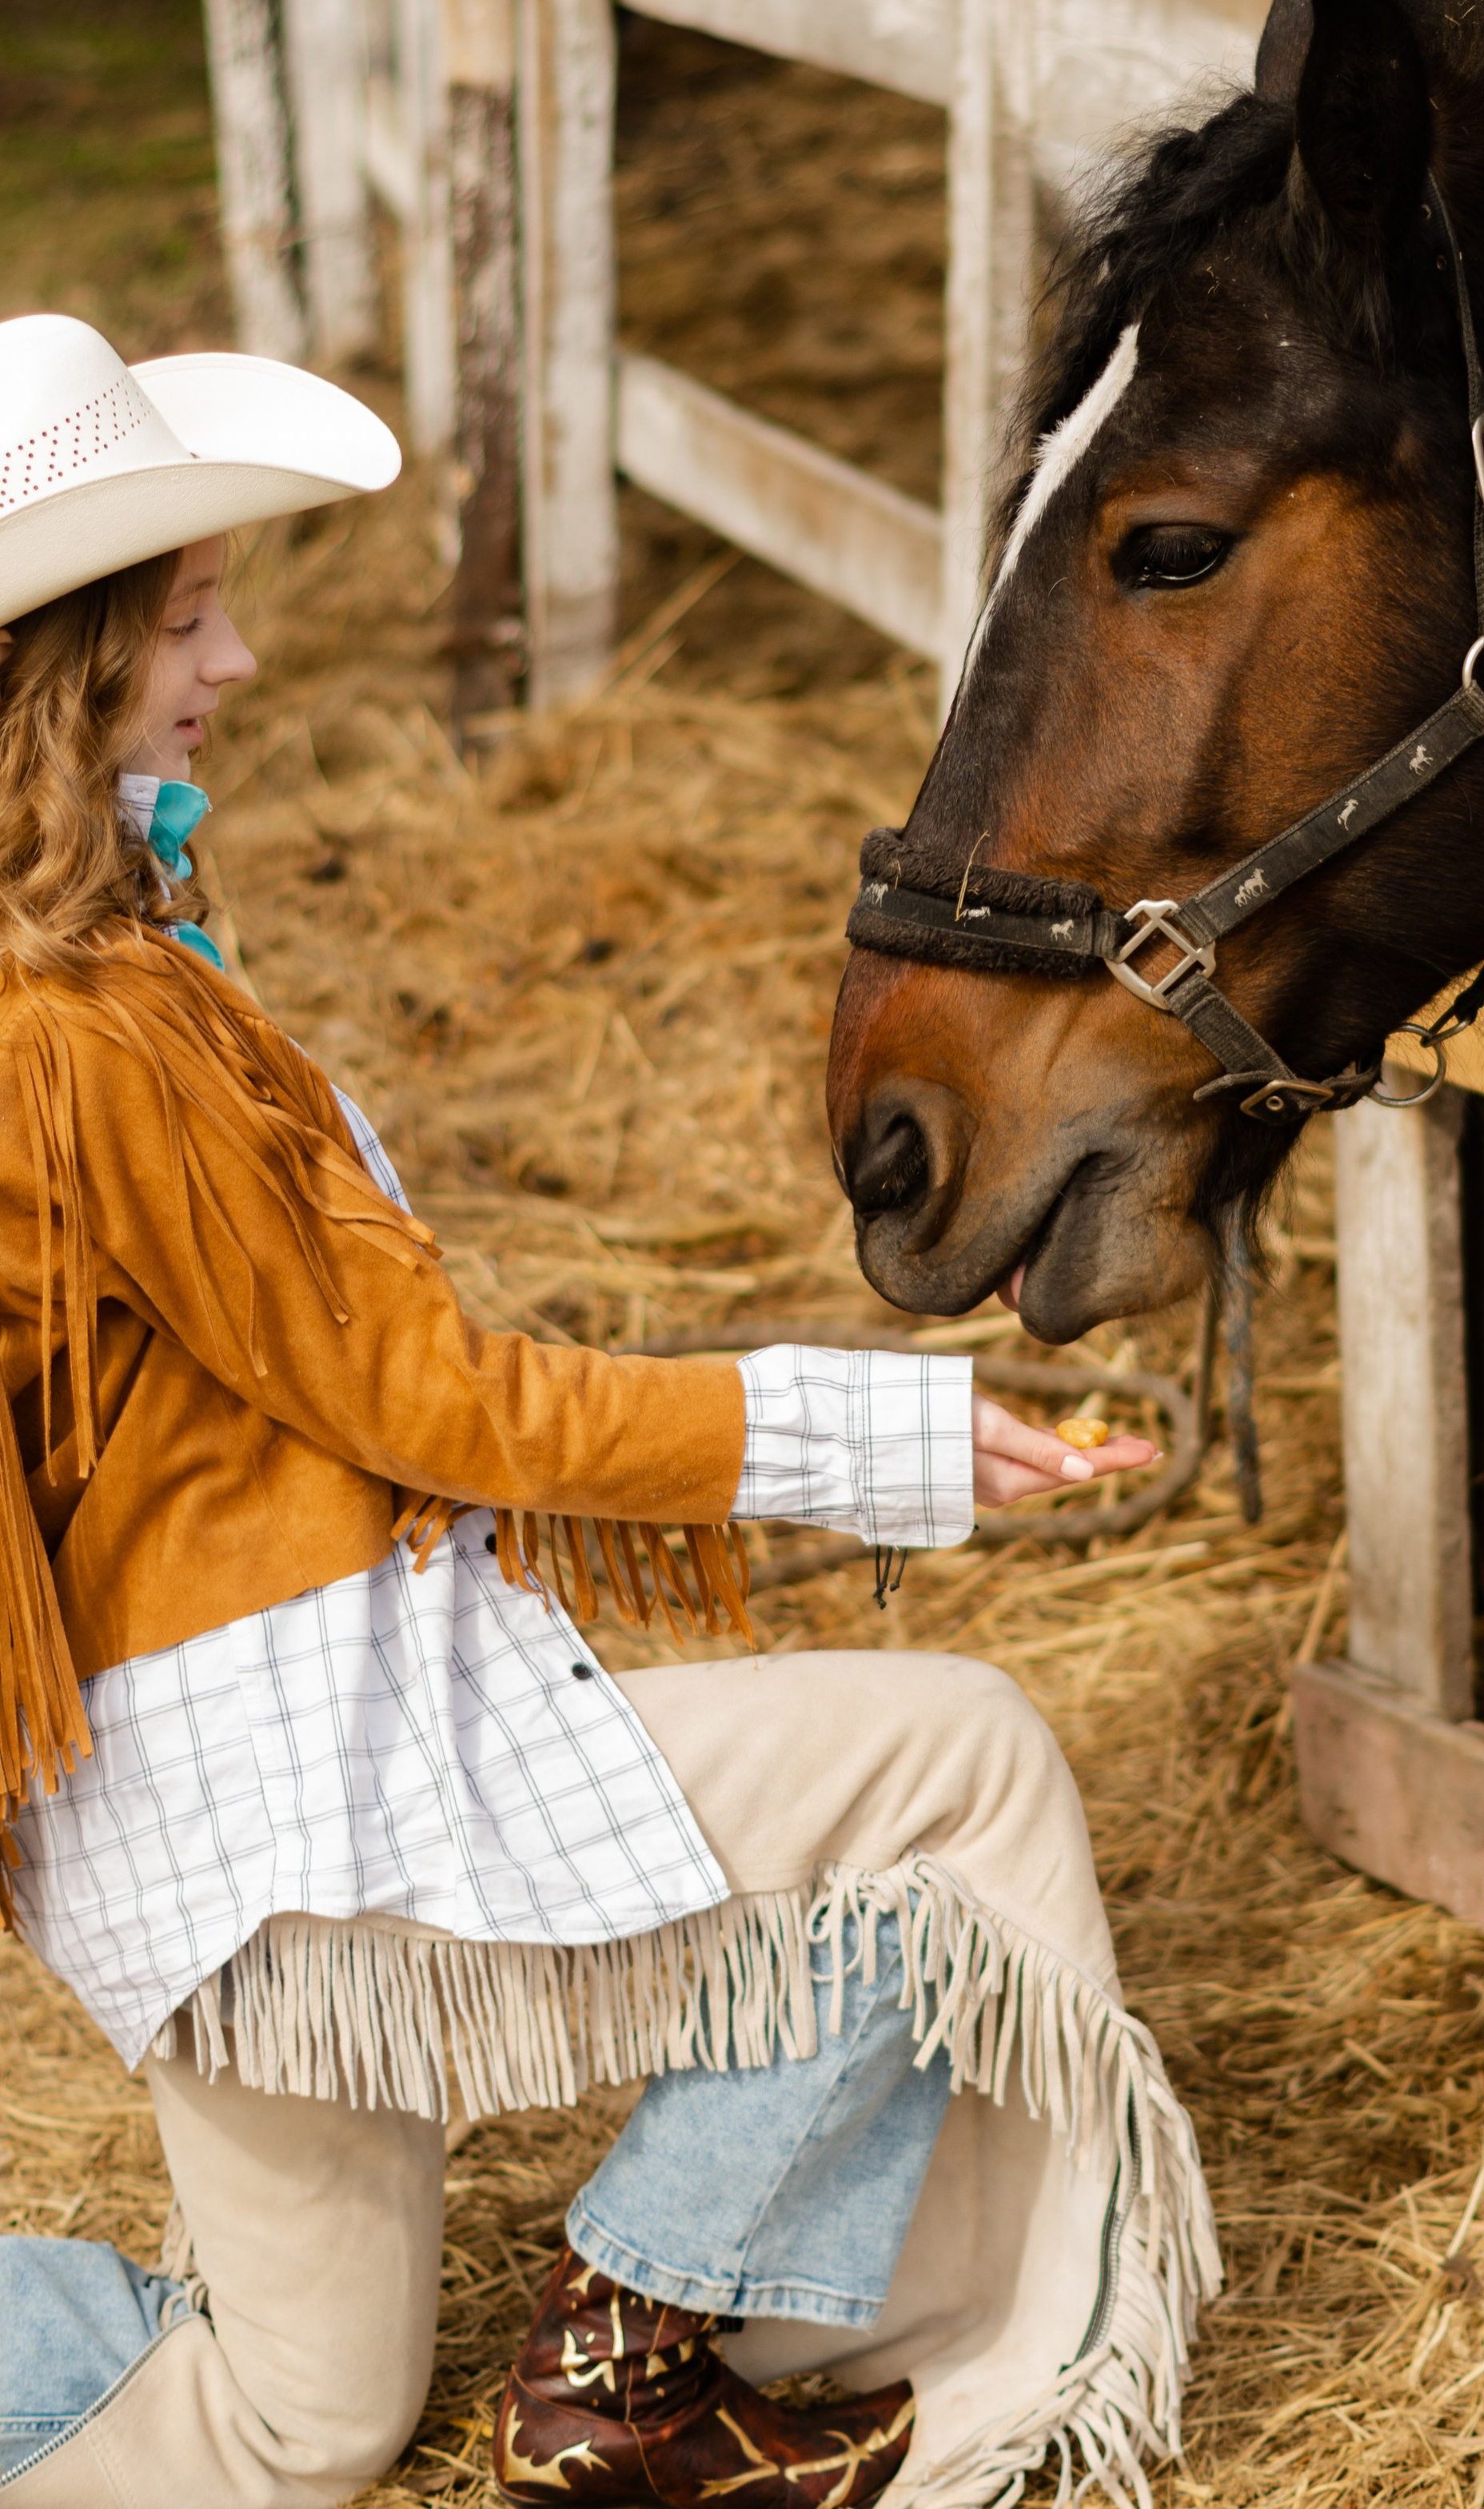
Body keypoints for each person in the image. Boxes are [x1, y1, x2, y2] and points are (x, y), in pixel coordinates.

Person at [0, 315, 1218, 2509]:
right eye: (188, 619)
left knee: (306, 2423)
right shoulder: (86, 1027)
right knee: (952, 1768)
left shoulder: (91, 965)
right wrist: (899, 1443)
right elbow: (429, 1398)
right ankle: (650, 2348)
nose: (242, 659)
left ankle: (633, 2342)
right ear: (67, 673)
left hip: (178, 1837)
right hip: (289, 1802)